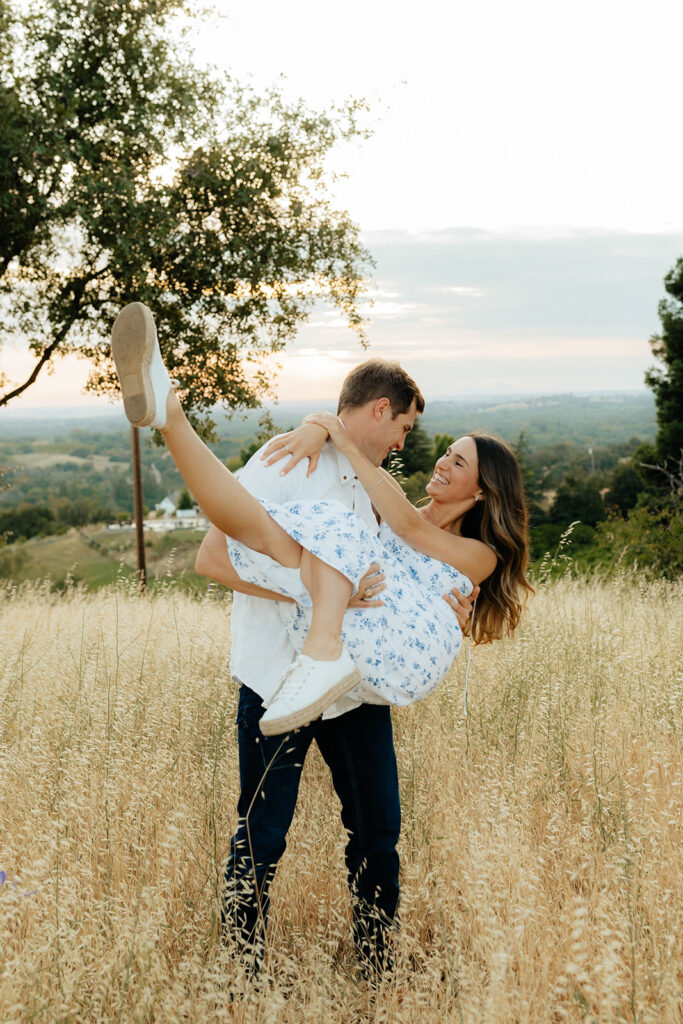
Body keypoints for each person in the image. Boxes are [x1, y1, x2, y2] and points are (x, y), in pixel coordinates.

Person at [109, 301, 525, 974]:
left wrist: (328, 430)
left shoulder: (387, 506)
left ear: (482, 493)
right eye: (411, 432)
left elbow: (416, 549)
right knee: (260, 835)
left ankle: (377, 964)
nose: (414, 451)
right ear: (381, 409)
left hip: (359, 691)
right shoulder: (295, 464)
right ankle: (240, 976)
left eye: (452, 459)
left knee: (376, 835)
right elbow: (214, 559)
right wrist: (317, 436)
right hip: (280, 678)